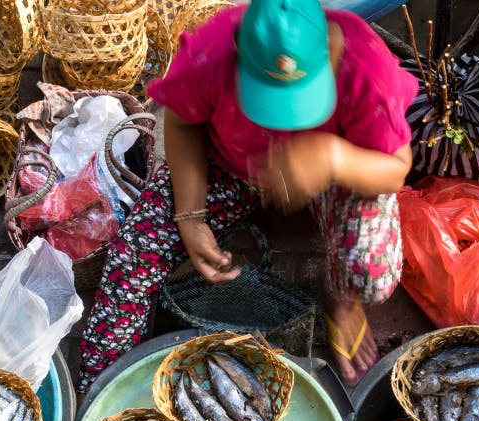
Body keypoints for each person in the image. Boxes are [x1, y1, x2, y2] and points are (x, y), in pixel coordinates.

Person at [78, 0, 418, 392]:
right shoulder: (211, 51)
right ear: (238, 50)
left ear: (331, 50)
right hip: (230, 170)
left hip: (331, 177)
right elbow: (183, 124)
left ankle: (341, 300)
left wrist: (332, 158)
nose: (282, 124)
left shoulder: (366, 68)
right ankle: (104, 388)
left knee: (373, 274)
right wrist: (191, 217)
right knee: (135, 250)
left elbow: (395, 169)